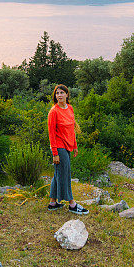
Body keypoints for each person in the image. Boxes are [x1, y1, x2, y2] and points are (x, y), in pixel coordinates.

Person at [47, 84, 88, 215]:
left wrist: (74, 145)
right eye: (57, 93)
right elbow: (51, 134)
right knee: (65, 174)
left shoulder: (70, 108)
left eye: (61, 93)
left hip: (68, 145)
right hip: (58, 147)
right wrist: (55, 153)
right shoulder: (53, 111)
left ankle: (53, 203)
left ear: (67, 95)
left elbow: (72, 128)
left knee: (58, 173)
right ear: (55, 96)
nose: (59, 95)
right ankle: (72, 204)